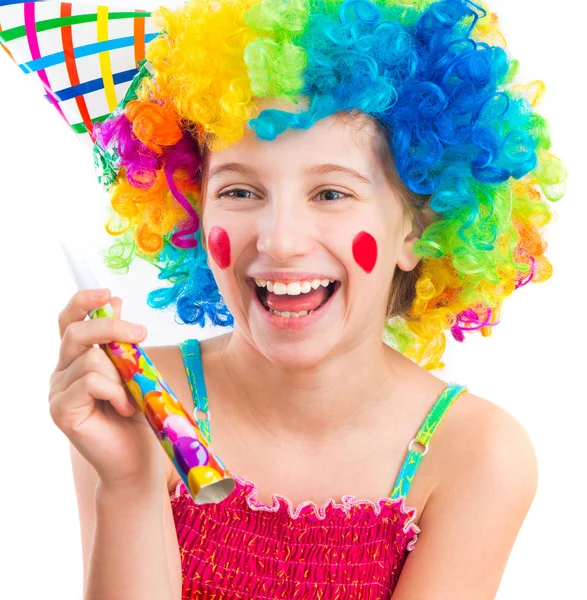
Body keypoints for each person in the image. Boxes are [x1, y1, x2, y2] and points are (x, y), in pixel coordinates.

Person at [48, 0, 565, 598]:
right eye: (240, 190)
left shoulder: (476, 454)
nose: (280, 240)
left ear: (418, 228)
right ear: (194, 208)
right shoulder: (136, 405)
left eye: (330, 193)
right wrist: (130, 483)